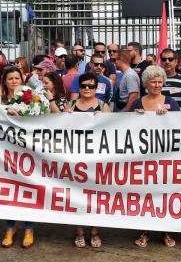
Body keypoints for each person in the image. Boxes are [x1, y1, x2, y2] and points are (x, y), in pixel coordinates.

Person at [131, 66, 179, 247]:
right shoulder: (137, 103)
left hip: (166, 157)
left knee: (164, 193)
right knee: (146, 195)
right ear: (146, 83)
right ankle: (145, 231)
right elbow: (126, 130)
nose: (157, 85)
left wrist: (168, 117)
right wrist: (136, 118)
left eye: (160, 81)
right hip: (144, 159)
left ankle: (166, 231)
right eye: (153, 81)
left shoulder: (171, 103)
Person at [0, 66, 36, 248]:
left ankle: (28, 228)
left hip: (27, 153)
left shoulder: (32, 98)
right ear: (4, 81)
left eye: (16, 78)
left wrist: (20, 116)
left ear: (22, 79)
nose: (13, 81)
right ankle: (10, 228)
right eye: (10, 78)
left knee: (27, 190)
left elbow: (40, 121)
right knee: (9, 191)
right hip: (6, 153)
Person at [65, 73, 109, 248]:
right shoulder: (70, 105)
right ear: (79, 87)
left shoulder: (103, 106)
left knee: (96, 197)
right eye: (83, 86)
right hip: (76, 159)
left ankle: (95, 231)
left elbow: (114, 130)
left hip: (97, 160)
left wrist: (104, 119)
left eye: (91, 86)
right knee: (77, 196)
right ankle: (79, 231)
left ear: (96, 88)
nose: (87, 89)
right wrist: (64, 116)